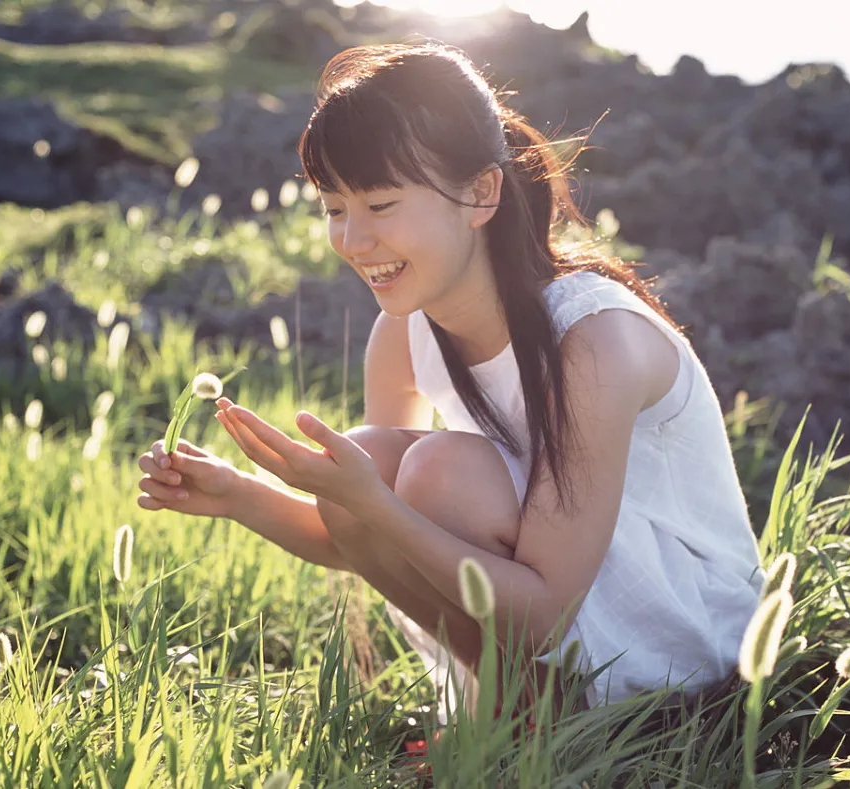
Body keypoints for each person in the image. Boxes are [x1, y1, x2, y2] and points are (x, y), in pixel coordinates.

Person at [136, 42, 765, 726]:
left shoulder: (592, 339)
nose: (353, 239)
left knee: (434, 470)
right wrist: (241, 496)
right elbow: (366, 532)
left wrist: (374, 501)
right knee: (376, 456)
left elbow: (544, 610)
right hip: (559, 616)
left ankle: (525, 719)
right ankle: (521, 715)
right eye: (334, 208)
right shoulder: (403, 334)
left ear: (481, 193)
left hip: (687, 646)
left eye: (380, 204)